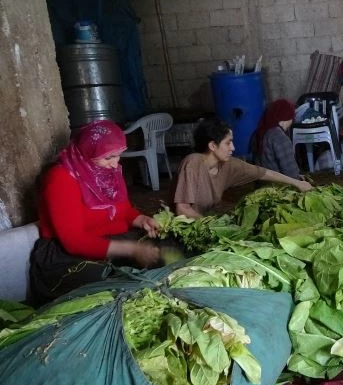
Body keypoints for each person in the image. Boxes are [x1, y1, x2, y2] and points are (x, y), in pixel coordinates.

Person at [29, 120, 162, 305]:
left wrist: (141, 219)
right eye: (108, 157)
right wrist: (133, 250)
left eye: (118, 155)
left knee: (162, 256)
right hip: (67, 256)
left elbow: (124, 210)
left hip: (111, 242)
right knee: (118, 290)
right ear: (87, 152)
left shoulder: (107, 173)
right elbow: (74, 241)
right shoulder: (61, 178)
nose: (115, 164)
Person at [174, 118, 313, 218]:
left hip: (204, 221)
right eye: (228, 143)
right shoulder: (193, 163)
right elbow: (182, 209)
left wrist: (297, 183)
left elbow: (263, 173)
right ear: (213, 146)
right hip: (181, 227)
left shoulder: (228, 164)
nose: (233, 148)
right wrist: (211, 225)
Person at [253, 98, 302, 179]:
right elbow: (291, 173)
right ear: (287, 118)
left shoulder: (259, 133)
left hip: (263, 183)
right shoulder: (279, 137)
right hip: (279, 184)